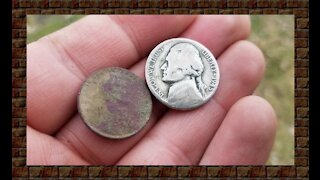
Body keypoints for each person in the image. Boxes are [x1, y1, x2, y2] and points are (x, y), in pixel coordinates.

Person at [27, 15, 277, 165]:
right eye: (164, 61)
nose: (165, 64)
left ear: (186, 67)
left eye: (170, 62)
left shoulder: (186, 96)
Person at [161, 42, 207, 108]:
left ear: (184, 68)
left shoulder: (187, 97)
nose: (162, 67)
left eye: (168, 63)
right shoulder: (176, 94)